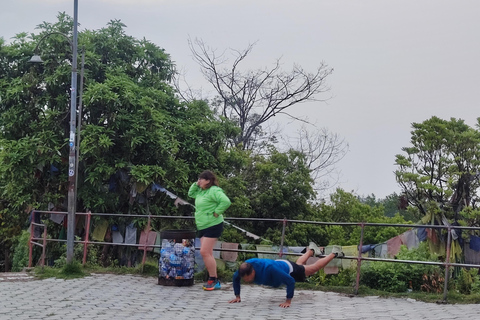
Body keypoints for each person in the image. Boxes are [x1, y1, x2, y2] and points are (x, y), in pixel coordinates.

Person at [229, 243, 344, 307]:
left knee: (313, 269)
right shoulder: (243, 269)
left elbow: (290, 281)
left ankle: (334, 252)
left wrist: (288, 301)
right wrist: (237, 296)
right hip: (280, 264)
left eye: (248, 279)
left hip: (288, 269)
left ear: (253, 272)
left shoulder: (270, 269)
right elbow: (235, 279)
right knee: (300, 264)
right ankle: (312, 250)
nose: (247, 281)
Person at [188, 170, 231, 291]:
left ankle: (214, 279)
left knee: (204, 252)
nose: (199, 181)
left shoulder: (214, 190)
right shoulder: (200, 191)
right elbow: (190, 194)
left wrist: (217, 212)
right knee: (208, 253)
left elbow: (226, 201)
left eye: (202, 179)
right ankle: (212, 279)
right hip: (202, 225)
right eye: (199, 178)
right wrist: (196, 184)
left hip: (213, 224)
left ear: (208, 180)